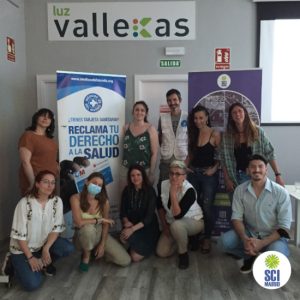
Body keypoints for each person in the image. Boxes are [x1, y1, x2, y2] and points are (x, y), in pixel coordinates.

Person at [217, 154, 292, 274]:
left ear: (266, 169)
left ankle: (258, 254)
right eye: (253, 167)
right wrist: (245, 239)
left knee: (276, 258)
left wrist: (261, 243)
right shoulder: (240, 190)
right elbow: (236, 218)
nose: (256, 170)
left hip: (273, 238)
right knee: (223, 243)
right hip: (250, 234)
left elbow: (285, 228)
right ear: (247, 170)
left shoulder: (281, 193)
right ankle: (250, 255)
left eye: (260, 166)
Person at [9, 170, 74, 291]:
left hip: (42, 245)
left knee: (68, 248)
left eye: (53, 183)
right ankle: (13, 264)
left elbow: (56, 228)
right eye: (46, 182)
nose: (50, 186)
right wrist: (30, 258)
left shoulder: (56, 201)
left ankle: (42, 263)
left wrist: (46, 248)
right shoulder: (24, 203)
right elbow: (19, 237)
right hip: (22, 250)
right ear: (37, 184)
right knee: (32, 284)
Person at [70, 172, 131, 272]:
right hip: (81, 234)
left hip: (99, 232)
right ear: (86, 182)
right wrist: (100, 219)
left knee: (125, 260)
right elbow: (79, 222)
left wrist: (102, 244)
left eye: (99, 185)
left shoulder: (104, 201)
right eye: (94, 183)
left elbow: (105, 225)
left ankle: (98, 251)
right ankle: (86, 256)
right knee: (88, 229)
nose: (96, 187)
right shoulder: (75, 198)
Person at [220, 102, 284, 197]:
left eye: (240, 111)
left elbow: (270, 153)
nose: (237, 114)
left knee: (254, 209)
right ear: (231, 117)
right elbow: (223, 159)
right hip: (234, 177)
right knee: (237, 209)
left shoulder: (257, 132)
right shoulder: (227, 136)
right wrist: (227, 179)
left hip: (254, 177)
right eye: (234, 112)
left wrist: (277, 175)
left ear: (245, 113)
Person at [156, 160, 204, 269]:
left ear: (184, 176)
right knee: (162, 252)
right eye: (171, 173)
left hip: (194, 221)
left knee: (177, 225)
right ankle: (183, 240)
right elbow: (159, 206)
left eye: (178, 174)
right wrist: (164, 226)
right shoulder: (163, 184)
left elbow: (178, 215)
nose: (173, 177)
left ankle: (183, 254)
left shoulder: (189, 190)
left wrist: (173, 192)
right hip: (172, 223)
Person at [186, 105, 221, 253]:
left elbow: (221, 156)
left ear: (207, 118)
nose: (198, 121)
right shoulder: (193, 134)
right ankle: (194, 237)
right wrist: (183, 167)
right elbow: (190, 156)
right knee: (192, 207)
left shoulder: (215, 133)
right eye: (195, 118)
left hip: (208, 175)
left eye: (201, 117)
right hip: (193, 174)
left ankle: (207, 238)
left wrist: (213, 169)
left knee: (207, 207)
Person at [120, 164, 159, 262]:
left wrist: (132, 229)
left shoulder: (150, 191)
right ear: (130, 177)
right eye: (132, 175)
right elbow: (123, 211)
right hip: (132, 225)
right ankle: (133, 246)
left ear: (143, 176)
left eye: (138, 175)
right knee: (123, 238)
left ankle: (147, 245)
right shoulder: (127, 190)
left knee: (135, 257)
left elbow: (149, 218)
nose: (135, 178)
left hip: (147, 228)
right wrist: (126, 222)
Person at [19, 108, 59, 196]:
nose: (45, 119)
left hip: (51, 182)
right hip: (36, 182)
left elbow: (51, 159)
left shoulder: (51, 140)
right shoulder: (28, 136)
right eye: (43, 116)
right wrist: (33, 183)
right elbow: (25, 162)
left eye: (49, 117)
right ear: (36, 118)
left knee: (49, 208)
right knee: (33, 208)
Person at [121, 101, 159, 186]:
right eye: (137, 110)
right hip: (126, 169)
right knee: (127, 195)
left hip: (144, 170)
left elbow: (154, 153)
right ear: (133, 112)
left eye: (142, 110)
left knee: (143, 196)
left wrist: (152, 173)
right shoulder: (126, 128)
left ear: (146, 113)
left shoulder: (151, 129)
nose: (139, 112)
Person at [157, 89, 188, 194]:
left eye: (175, 99)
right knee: (163, 189)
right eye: (169, 100)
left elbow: (191, 139)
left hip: (182, 161)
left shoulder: (188, 117)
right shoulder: (162, 118)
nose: (172, 103)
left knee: (181, 191)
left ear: (180, 100)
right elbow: (160, 138)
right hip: (166, 161)